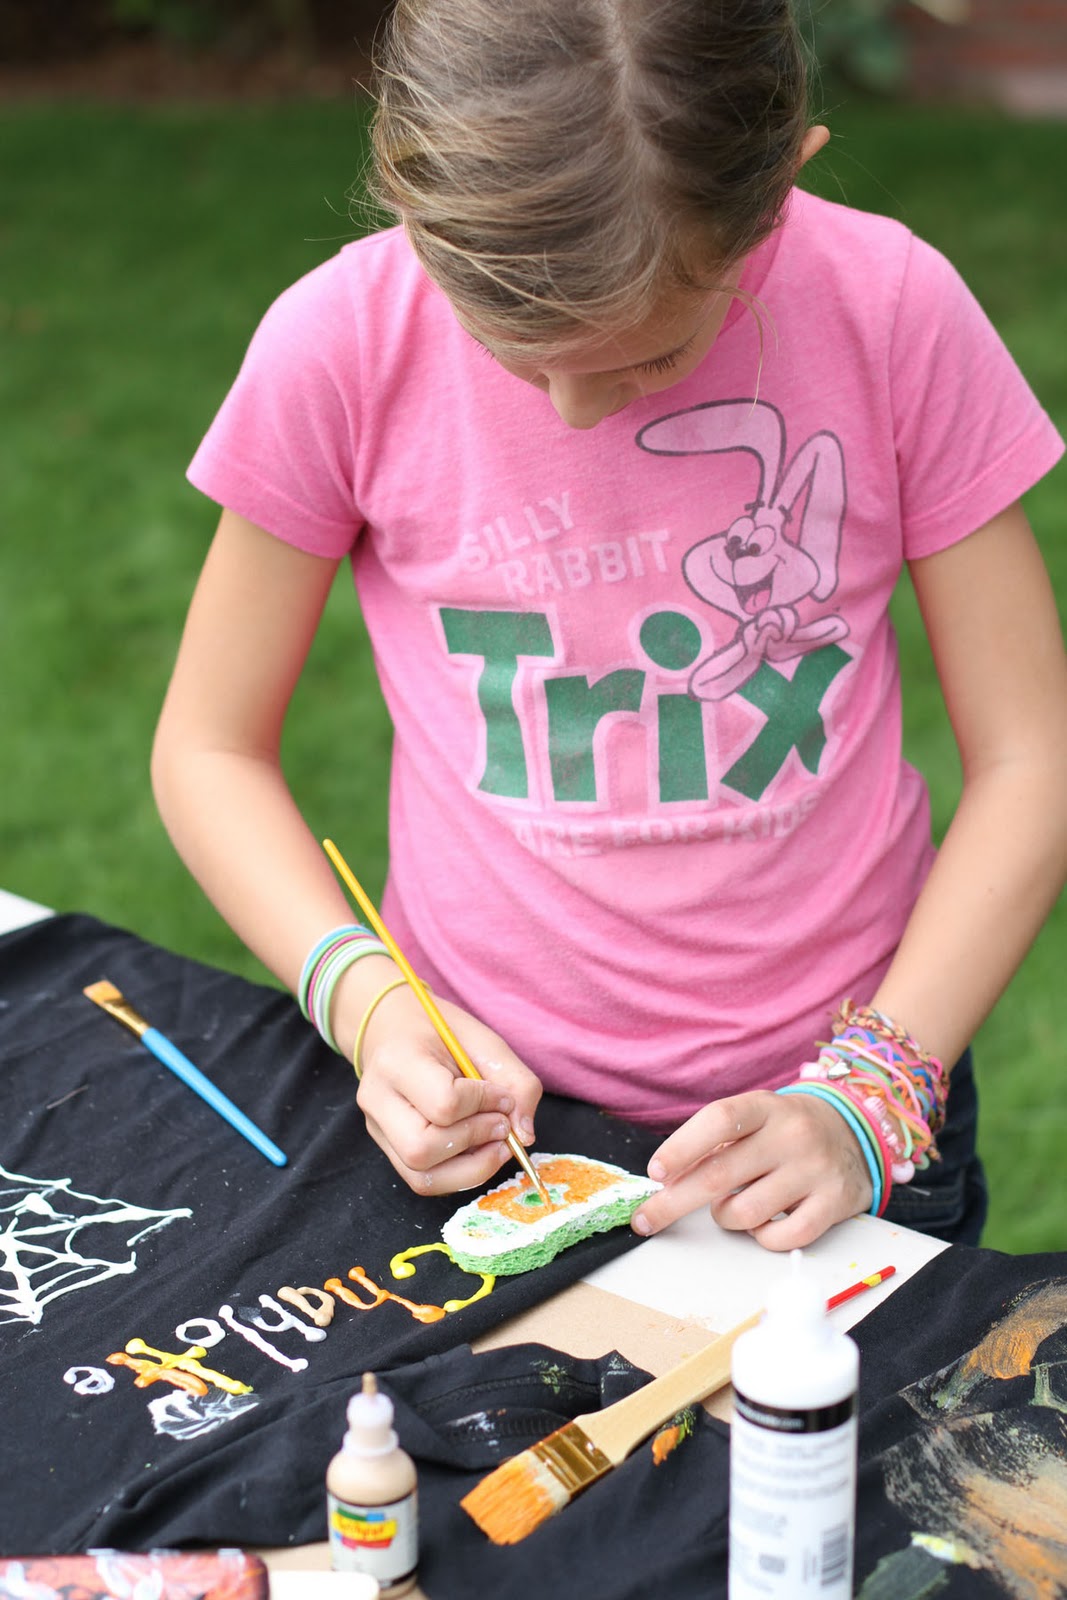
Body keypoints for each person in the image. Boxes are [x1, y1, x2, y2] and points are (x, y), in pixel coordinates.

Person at [152, 0, 1067, 1252]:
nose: (578, 415)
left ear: (775, 189)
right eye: (513, 350)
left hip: (847, 1115)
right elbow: (208, 748)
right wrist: (368, 1005)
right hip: (491, 1117)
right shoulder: (342, 343)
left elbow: (1031, 755)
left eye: (650, 357)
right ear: (410, 200)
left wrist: (869, 1094)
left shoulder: (890, 309)